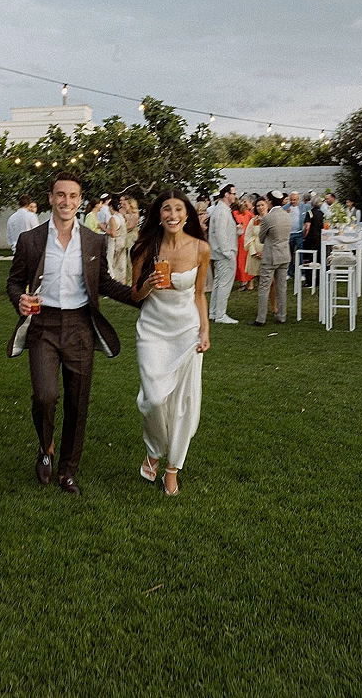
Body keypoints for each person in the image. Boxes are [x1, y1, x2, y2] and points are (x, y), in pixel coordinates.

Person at [6, 172, 135, 496]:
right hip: (43, 326)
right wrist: (18, 298)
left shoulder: (93, 240)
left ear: (79, 200)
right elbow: (13, 282)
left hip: (80, 327)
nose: (66, 201)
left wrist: (140, 295)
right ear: (51, 198)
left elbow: (103, 282)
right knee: (45, 396)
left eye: (73, 196)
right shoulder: (31, 240)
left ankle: (68, 472)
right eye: (60, 195)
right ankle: (45, 446)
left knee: (78, 403)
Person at [130, 190, 210, 496]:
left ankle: (172, 468)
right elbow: (135, 294)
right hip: (152, 330)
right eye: (166, 209)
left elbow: (199, 294)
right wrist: (149, 283)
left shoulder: (201, 248)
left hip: (187, 330)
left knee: (181, 403)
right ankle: (154, 449)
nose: (172, 214)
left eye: (178, 209)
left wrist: (204, 331)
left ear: (187, 214)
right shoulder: (143, 247)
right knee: (153, 399)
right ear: (159, 215)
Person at [248, 191, 292, 326]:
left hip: (271, 255)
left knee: (264, 287)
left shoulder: (268, 218)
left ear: (271, 201)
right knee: (281, 287)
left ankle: (261, 318)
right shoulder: (287, 216)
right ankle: (282, 316)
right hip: (284, 254)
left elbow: (261, 238)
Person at [208, 184, 239, 323]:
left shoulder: (222, 210)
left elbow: (224, 233)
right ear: (226, 194)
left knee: (219, 283)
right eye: (233, 193)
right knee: (224, 284)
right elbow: (220, 235)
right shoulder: (221, 211)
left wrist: (237, 232)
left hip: (221, 253)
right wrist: (228, 253)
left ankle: (214, 312)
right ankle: (220, 314)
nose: (234, 196)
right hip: (224, 254)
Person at [243, 197, 278, 310]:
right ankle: (263, 307)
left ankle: (274, 306)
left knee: (272, 282)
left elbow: (275, 237)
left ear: (267, 205)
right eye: (258, 206)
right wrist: (254, 251)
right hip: (256, 255)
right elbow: (248, 237)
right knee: (260, 283)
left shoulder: (272, 219)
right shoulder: (253, 221)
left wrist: (266, 252)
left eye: (262, 205)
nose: (260, 208)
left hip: (269, 253)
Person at [283, 191, 308, 279]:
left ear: (298, 199)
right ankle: (289, 272)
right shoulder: (286, 207)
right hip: (289, 233)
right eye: (291, 200)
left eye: (294, 200)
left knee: (300, 253)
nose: (293, 202)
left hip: (299, 233)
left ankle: (302, 273)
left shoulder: (303, 207)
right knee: (288, 253)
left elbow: (307, 217)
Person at [302, 195, 324, 286]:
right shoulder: (322, 213)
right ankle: (318, 279)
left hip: (310, 238)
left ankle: (309, 280)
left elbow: (307, 226)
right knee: (318, 259)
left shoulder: (310, 213)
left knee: (308, 259)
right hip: (319, 238)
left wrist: (304, 236)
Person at [233, 196, 254, 290]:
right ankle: (250, 283)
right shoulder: (248, 213)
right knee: (247, 261)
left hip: (239, 239)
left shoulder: (234, 213)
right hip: (248, 238)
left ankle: (243, 283)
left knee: (241, 262)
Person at [106, 197, 128, 283]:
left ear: (111, 207)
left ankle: (112, 283)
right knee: (121, 265)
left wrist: (103, 228)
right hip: (122, 243)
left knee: (111, 265)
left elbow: (113, 233)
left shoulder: (113, 218)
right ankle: (122, 283)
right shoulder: (121, 217)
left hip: (114, 244)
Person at [121, 194, 140, 281]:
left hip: (131, 239)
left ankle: (131, 280)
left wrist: (125, 217)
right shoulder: (126, 215)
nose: (123, 206)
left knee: (129, 261)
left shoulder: (134, 216)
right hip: (125, 240)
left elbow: (128, 227)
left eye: (125, 205)